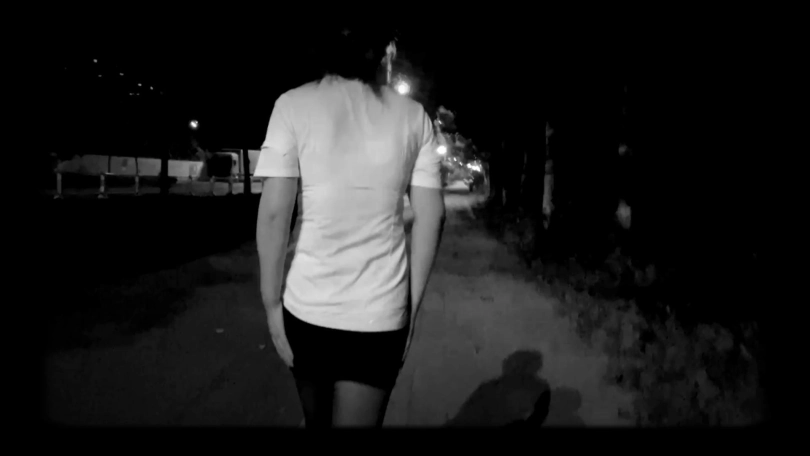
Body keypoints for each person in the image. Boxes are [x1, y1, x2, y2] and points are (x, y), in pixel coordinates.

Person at [254, 27, 446, 428]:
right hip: (379, 319)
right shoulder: (414, 117)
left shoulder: (292, 105)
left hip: (305, 310)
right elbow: (432, 216)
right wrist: (410, 308)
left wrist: (272, 304)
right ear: (386, 50)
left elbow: (274, 213)